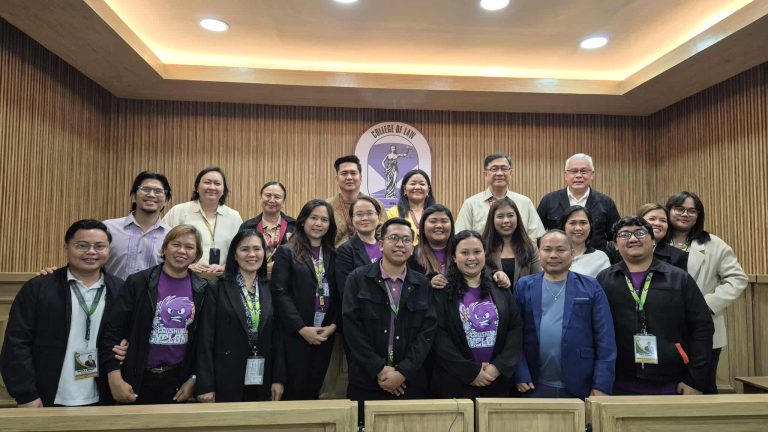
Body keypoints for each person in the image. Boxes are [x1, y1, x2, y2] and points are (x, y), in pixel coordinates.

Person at [0, 220, 123, 407]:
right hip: (47, 396)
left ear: (108, 250)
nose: (91, 252)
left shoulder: (120, 289)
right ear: (66, 248)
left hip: (103, 397)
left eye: (100, 246)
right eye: (82, 245)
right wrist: (26, 395)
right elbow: (16, 342)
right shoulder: (39, 287)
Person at [597, 217, 713, 395]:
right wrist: (600, 382)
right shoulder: (604, 280)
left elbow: (702, 328)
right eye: (624, 234)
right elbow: (596, 332)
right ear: (615, 244)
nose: (633, 239)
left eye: (640, 233)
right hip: (617, 382)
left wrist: (695, 380)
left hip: (674, 382)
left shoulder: (678, 278)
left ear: (653, 241)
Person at [100, 225, 209, 404]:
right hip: (138, 378)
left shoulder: (203, 289)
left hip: (178, 380)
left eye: (189, 247)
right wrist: (114, 377)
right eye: (176, 244)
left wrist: (194, 378)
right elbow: (112, 332)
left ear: (196, 255)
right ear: (165, 248)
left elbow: (204, 342)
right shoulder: (138, 282)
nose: (182, 251)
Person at [343, 218, 437, 400]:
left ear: (412, 248)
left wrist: (403, 372)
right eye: (393, 238)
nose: (400, 244)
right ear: (381, 245)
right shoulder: (358, 279)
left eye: (406, 240)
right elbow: (351, 328)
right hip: (367, 378)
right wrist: (378, 368)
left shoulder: (423, 284)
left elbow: (427, 333)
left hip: (410, 381)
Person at [515, 230, 616, 399]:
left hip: (582, 384)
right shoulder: (524, 285)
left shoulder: (590, 286)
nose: (553, 255)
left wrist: (602, 384)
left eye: (560, 250)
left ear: (572, 253)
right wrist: (520, 372)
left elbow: (605, 339)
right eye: (547, 249)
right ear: (539, 253)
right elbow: (514, 334)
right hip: (532, 383)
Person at [666, 192, 748, 394]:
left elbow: (737, 278)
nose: (685, 214)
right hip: (666, 327)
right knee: (669, 387)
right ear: (668, 211)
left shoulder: (713, 244)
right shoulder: (655, 243)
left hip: (702, 327)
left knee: (702, 386)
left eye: (692, 210)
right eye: (679, 209)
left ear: (698, 215)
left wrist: (706, 305)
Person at [431, 230, 523, 398]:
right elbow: (439, 338)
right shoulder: (443, 290)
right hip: (455, 383)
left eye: (477, 252)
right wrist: (471, 372)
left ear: (484, 253)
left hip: (496, 381)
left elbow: (515, 329)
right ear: (453, 257)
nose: (471, 258)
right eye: (464, 253)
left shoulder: (500, 286)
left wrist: (498, 367)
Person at [196, 229, 285, 402]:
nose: (252, 254)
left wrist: (278, 378)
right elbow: (205, 339)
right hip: (226, 376)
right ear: (235, 255)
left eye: (257, 249)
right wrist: (205, 385)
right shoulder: (217, 288)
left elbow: (278, 337)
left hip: (262, 375)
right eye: (244, 249)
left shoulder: (270, 288)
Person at [270, 199, 339, 400]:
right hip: (295, 334)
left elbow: (341, 294)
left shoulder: (334, 255)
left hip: (325, 333)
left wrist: (333, 326)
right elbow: (279, 293)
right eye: (314, 218)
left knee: (314, 389)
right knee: (295, 390)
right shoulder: (286, 251)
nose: (318, 223)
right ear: (302, 221)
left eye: (324, 219)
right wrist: (301, 328)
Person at [164, 167, 243, 272]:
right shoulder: (178, 211)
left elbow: (243, 249)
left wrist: (225, 267)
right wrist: (185, 265)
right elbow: (162, 244)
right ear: (197, 187)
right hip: (184, 275)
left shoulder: (234, 217)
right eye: (207, 182)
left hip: (222, 279)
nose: (212, 187)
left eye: (217, 183)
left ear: (223, 190)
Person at [537, 153, 620, 252]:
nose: (579, 176)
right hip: (558, 260)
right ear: (566, 175)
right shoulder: (549, 200)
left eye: (584, 171)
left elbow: (616, 237)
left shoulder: (606, 202)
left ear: (592, 175)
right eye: (573, 171)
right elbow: (538, 235)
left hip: (596, 262)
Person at [455, 152, 545, 240]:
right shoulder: (471, 204)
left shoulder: (525, 202)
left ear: (510, 173)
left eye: (504, 168)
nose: (499, 173)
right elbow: (461, 237)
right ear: (485, 174)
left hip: (519, 254)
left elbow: (535, 237)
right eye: (494, 169)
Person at [103, 171, 173, 280]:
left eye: (158, 191)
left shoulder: (171, 236)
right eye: (145, 189)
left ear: (166, 201)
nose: (151, 194)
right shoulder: (108, 228)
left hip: (153, 297)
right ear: (133, 196)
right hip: (112, 296)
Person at [326, 155, 387, 247]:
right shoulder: (327, 206)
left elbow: (384, 236)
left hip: (369, 259)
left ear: (361, 178)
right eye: (344, 173)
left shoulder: (375, 205)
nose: (349, 177)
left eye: (353, 173)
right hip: (335, 258)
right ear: (337, 179)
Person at [605, 203, 688, 270]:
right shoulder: (614, 248)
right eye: (652, 219)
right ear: (638, 221)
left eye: (663, 220)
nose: (658, 223)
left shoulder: (678, 256)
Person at [240, 181, 296, 277]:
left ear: (283, 202)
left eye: (277, 197)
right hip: (255, 279)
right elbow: (240, 254)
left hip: (288, 281)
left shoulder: (294, 226)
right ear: (261, 198)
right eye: (268, 195)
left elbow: (301, 255)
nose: (271, 200)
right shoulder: (247, 226)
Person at [482, 197, 541, 287]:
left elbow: (538, 280)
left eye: (510, 215)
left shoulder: (531, 247)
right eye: (500, 216)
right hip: (492, 300)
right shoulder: (482, 248)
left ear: (517, 218)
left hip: (523, 300)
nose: (506, 221)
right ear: (492, 220)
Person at [336, 197, 385, 298]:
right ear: (352, 219)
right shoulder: (345, 251)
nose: (365, 218)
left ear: (378, 216)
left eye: (370, 213)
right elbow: (347, 291)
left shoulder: (386, 247)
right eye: (359, 214)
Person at [558, 205, 610, 277]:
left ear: (590, 226)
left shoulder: (600, 258)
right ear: (564, 226)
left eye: (583, 223)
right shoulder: (553, 255)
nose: (578, 228)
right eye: (572, 223)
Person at [386, 169, 435, 245]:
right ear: (405, 189)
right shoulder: (393, 212)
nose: (417, 187)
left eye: (422, 184)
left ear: (428, 189)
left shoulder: (436, 213)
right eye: (413, 184)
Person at [409, 204, 455, 277]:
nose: (439, 225)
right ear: (423, 227)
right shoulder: (412, 256)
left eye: (444, 221)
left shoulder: (459, 253)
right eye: (433, 221)